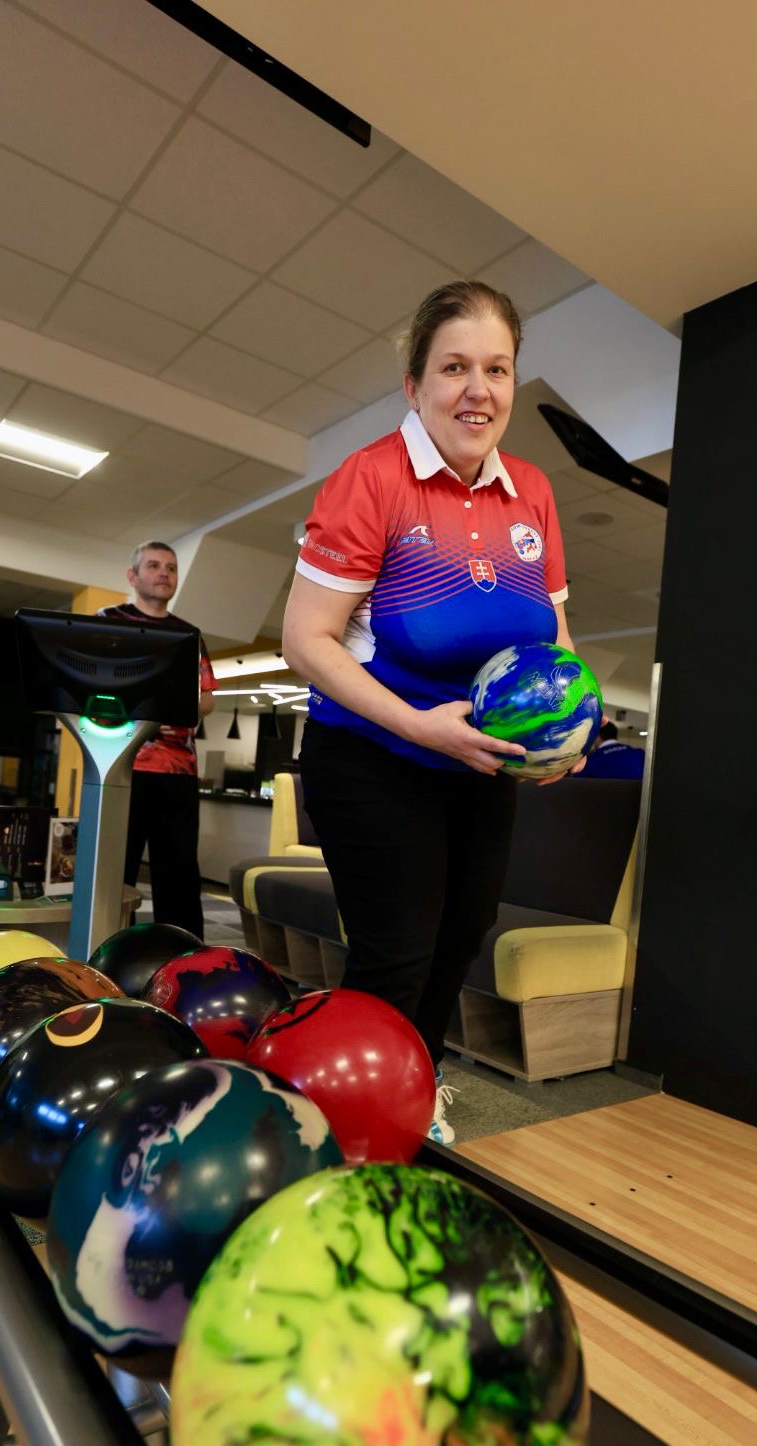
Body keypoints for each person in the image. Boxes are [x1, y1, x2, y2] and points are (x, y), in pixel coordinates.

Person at [282, 280, 585, 1145]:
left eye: (497, 369)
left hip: (479, 763)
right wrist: (417, 725)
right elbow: (306, 639)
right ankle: (353, 1128)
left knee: (462, 935)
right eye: (454, 368)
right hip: (373, 755)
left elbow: (555, 638)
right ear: (414, 385)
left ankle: (413, 1085)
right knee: (398, 948)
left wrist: (568, 725)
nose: (477, 390)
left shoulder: (532, 491)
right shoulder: (371, 478)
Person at [98, 542, 215, 938]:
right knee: (115, 870)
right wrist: (143, 713)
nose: (164, 573)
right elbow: (94, 686)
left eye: (171, 567)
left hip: (178, 773)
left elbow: (207, 699)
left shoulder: (189, 634)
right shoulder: (109, 622)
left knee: (179, 873)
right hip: (119, 768)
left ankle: (184, 956)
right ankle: (108, 948)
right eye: (153, 565)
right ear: (132, 576)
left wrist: (173, 709)